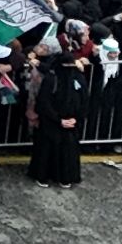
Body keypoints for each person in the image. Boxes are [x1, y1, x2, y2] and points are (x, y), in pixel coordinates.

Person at [29, 44, 91, 188]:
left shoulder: (76, 79)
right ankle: (46, 176)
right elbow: (44, 102)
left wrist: (75, 118)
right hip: (53, 122)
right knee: (49, 150)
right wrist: (59, 120)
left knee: (64, 150)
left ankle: (64, 177)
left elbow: (85, 101)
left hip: (68, 122)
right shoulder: (53, 79)